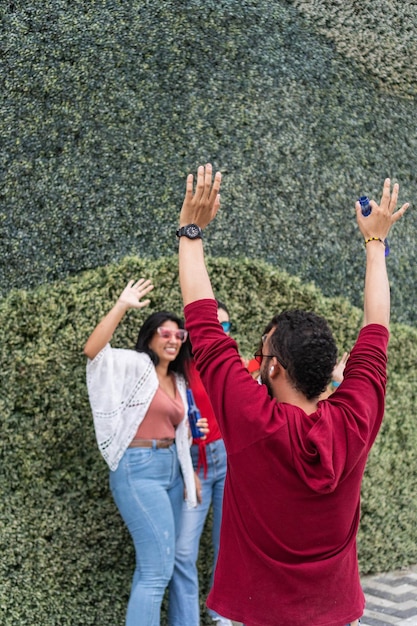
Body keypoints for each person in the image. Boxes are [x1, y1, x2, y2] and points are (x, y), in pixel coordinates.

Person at [176, 164, 409, 626]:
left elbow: (202, 323)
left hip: (257, 615)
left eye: (262, 353)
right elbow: (377, 327)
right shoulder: (355, 417)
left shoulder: (251, 417)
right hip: (338, 614)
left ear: (274, 366)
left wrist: (191, 230)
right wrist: (375, 242)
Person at [84, 278, 205, 626]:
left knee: (158, 568)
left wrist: (190, 473)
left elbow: (180, 435)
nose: (172, 340)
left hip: (170, 470)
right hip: (138, 468)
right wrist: (122, 304)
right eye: (165, 334)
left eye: (179, 335)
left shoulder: (179, 381)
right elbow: (93, 351)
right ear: (150, 337)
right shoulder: (135, 366)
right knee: (156, 572)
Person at [169, 300, 233, 626]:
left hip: (226, 460)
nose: (221, 332)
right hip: (192, 464)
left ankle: (218, 612)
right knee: (182, 553)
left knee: (226, 546)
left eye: (226, 326)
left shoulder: (228, 366)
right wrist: (187, 432)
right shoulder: (178, 368)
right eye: (215, 325)